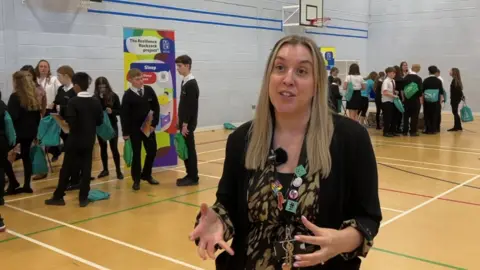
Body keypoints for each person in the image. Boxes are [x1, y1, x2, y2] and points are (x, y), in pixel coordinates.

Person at [189, 35, 381, 270]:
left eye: (301, 71)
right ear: (269, 77)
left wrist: (342, 240)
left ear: (317, 83)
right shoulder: (242, 140)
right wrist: (217, 222)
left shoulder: (350, 139)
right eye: (280, 68)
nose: (288, 79)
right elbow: (227, 205)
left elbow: (368, 218)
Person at [45, 72, 103, 207]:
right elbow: (99, 121)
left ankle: (59, 196)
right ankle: (83, 198)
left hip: (75, 139)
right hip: (89, 139)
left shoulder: (73, 101)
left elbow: (72, 122)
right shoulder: (95, 101)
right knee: (86, 167)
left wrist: (63, 121)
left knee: (66, 168)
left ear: (76, 85)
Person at [121, 68, 160, 191]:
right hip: (134, 130)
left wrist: (154, 124)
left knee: (152, 151)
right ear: (131, 80)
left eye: (142, 78)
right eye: (137, 79)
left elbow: (156, 107)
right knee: (137, 155)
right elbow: (124, 115)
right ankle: (136, 180)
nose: (141, 81)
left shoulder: (149, 90)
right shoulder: (127, 95)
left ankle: (146, 174)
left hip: (148, 126)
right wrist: (125, 132)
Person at [7, 71, 42, 194]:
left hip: (18, 132)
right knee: (26, 158)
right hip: (30, 132)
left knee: (4, 158)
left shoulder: (15, 97)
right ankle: (27, 184)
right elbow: (38, 117)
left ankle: (13, 183)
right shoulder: (32, 97)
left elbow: (12, 117)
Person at [176, 55, 200, 186]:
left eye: (180, 66)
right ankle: (189, 173)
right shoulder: (184, 81)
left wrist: (185, 124)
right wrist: (179, 120)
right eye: (177, 66)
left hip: (188, 124)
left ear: (187, 66)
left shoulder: (191, 83)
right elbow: (183, 104)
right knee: (185, 147)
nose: (178, 69)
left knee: (190, 149)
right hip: (183, 122)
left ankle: (193, 176)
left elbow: (191, 106)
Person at [93, 77, 123, 179]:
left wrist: (112, 111)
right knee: (103, 148)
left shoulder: (113, 96)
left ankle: (118, 170)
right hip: (101, 126)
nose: (102, 89)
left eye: (104, 87)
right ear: (97, 87)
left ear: (107, 86)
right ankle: (105, 169)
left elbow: (120, 111)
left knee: (114, 148)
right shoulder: (94, 98)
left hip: (112, 124)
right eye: (100, 87)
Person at [422, 66, 445, 134]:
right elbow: (441, 92)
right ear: (435, 72)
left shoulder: (426, 80)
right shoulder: (438, 81)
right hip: (436, 101)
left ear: (429, 72)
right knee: (435, 114)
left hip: (427, 100)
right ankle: (435, 129)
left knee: (427, 114)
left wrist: (423, 100)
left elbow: (422, 91)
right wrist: (440, 101)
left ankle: (428, 129)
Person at [402, 64, 423, 136]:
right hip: (415, 100)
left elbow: (402, 89)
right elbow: (420, 90)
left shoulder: (406, 77)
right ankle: (413, 131)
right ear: (418, 69)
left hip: (407, 100)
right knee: (414, 116)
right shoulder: (418, 78)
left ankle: (405, 131)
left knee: (406, 116)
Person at [381, 67, 399, 137]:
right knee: (387, 117)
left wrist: (395, 92)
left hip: (392, 101)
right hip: (386, 101)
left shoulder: (393, 81)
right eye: (392, 73)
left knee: (393, 117)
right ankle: (386, 132)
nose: (393, 74)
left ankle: (392, 131)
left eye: (394, 73)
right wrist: (393, 95)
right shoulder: (386, 81)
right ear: (388, 73)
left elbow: (391, 90)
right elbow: (384, 92)